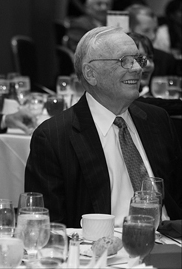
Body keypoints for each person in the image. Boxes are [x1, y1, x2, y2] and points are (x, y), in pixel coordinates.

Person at [25, 26, 182, 228]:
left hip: (169, 242)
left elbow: (178, 195)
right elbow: (48, 226)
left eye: (138, 59)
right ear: (91, 74)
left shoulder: (156, 120)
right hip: (101, 251)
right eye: (124, 61)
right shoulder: (54, 137)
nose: (137, 68)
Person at [126, 4, 180, 77]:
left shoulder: (167, 60)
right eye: (146, 30)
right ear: (129, 30)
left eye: (155, 30)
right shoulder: (119, 60)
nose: (153, 36)